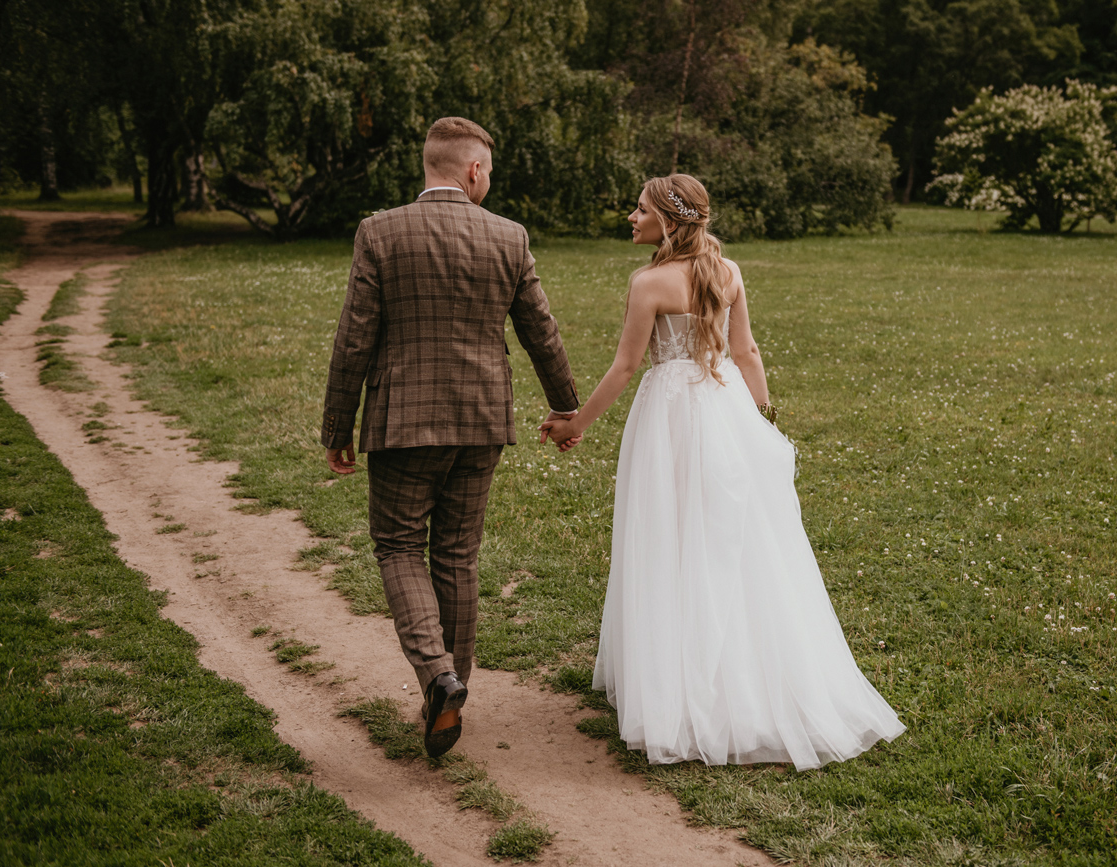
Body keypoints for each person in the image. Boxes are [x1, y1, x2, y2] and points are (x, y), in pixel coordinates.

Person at [539, 174, 905, 770]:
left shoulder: (649, 282)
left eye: (640, 210)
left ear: (669, 220)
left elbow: (627, 366)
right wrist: (764, 423)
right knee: (731, 544)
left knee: (669, 538)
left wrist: (577, 421)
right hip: (726, 409)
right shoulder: (727, 271)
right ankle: (736, 679)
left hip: (670, 421)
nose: (630, 217)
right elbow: (747, 353)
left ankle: (677, 689)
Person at [322, 117, 580, 758]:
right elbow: (540, 331)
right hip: (482, 419)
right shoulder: (508, 236)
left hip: (402, 421)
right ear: (472, 170)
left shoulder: (379, 232)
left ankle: (438, 678)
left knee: (399, 545)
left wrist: (337, 425)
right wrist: (565, 406)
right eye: (487, 170)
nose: (488, 179)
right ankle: (451, 688)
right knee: (457, 556)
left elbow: (355, 335)